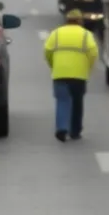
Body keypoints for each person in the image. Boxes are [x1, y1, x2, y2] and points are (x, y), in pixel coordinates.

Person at [43, 8, 98, 141]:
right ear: (80, 21)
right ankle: (75, 131)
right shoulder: (86, 34)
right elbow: (93, 53)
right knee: (77, 103)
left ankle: (62, 128)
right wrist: (87, 67)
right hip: (79, 75)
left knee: (62, 101)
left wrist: (53, 65)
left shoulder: (56, 33)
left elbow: (47, 51)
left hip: (60, 73)